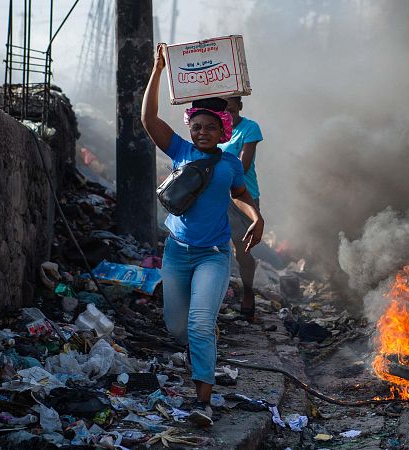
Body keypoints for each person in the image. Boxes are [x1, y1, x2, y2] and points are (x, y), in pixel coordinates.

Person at [141, 43, 264, 426]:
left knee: (197, 324)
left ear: (222, 130)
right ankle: (204, 334)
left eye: (211, 127)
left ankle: (203, 402)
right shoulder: (179, 151)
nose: (204, 132)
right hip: (177, 253)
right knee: (177, 327)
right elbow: (148, 118)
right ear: (190, 129)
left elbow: (240, 195)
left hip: (213, 255)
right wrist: (158, 69)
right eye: (197, 127)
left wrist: (256, 217)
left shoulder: (229, 163)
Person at [219, 96, 264, 321]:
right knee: (212, 248)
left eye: (232, 111)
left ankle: (247, 291)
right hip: (215, 195)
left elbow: (242, 166)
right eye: (223, 111)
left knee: (242, 250)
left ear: (240, 108)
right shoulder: (212, 126)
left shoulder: (249, 128)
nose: (228, 116)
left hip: (243, 197)